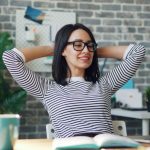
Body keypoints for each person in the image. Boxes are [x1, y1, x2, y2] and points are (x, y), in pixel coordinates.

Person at [3, 23, 145, 138]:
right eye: (77, 45)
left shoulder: (105, 84)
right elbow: (10, 58)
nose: (85, 51)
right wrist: (54, 48)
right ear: (63, 49)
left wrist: (93, 52)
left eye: (90, 45)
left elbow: (137, 52)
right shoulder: (47, 89)